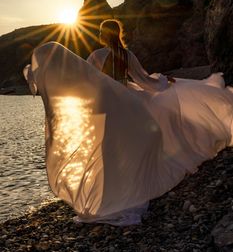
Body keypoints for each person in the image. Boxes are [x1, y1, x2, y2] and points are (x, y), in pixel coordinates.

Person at [24, 24, 233, 226]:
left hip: (103, 106)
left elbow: (84, 79)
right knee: (132, 146)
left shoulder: (97, 56)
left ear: (102, 36)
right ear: (118, 34)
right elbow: (144, 82)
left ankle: (107, 196)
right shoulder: (127, 55)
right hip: (128, 103)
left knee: (108, 150)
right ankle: (128, 190)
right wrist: (164, 82)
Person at [87, 19, 174, 92]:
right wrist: (164, 80)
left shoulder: (97, 55)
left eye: (101, 31)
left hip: (104, 95)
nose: (100, 34)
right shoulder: (127, 54)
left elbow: (85, 74)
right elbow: (142, 78)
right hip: (123, 95)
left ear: (107, 34)